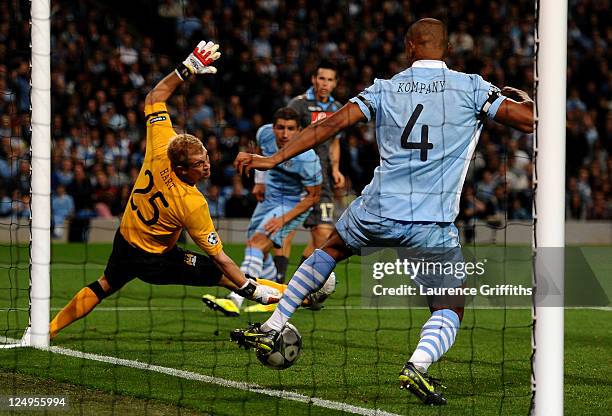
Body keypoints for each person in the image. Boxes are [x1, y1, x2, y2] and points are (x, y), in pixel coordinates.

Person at [230, 19, 533, 405]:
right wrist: (528, 101)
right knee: (450, 303)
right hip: (431, 222)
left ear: (408, 47)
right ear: (449, 49)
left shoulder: (385, 89)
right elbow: (530, 122)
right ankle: (417, 366)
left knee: (332, 248)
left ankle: (273, 323)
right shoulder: (472, 86)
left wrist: (274, 158)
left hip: (377, 208)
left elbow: (331, 124)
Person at [49, 41, 281, 340]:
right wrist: (251, 291)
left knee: (104, 284)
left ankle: (47, 330)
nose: (207, 166)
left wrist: (186, 69)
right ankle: (296, 294)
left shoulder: (162, 146)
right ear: (182, 169)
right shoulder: (191, 203)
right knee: (225, 276)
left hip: (126, 238)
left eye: (206, 157)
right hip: (156, 260)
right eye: (199, 164)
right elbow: (222, 258)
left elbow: (154, 96)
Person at [202, 107, 334, 316]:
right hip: (269, 198)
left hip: (292, 203)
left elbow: (313, 197)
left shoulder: (308, 158)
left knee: (256, 242)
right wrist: (259, 181)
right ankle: (274, 296)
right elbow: (261, 153)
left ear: (299, 131)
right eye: (280, 128)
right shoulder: (263, 133)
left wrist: (283, 219)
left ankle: (235, 300)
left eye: (290, 129)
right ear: (272, 128)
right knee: (256, 249)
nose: (284, 134)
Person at [253, 61, 345, 284]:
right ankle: (278, 281)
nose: (325, 83)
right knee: (285, 230)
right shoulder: (298, 104)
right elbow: (277, 140)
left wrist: (335, 168)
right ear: (314, 79)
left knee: (323, 234)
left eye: (329, 80)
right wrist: (262, 179)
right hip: (293, 178)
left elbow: (334, 142)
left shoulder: (337, 109)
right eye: (321, 78)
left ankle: (300, 283)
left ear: (335, 83)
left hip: (321, 178)